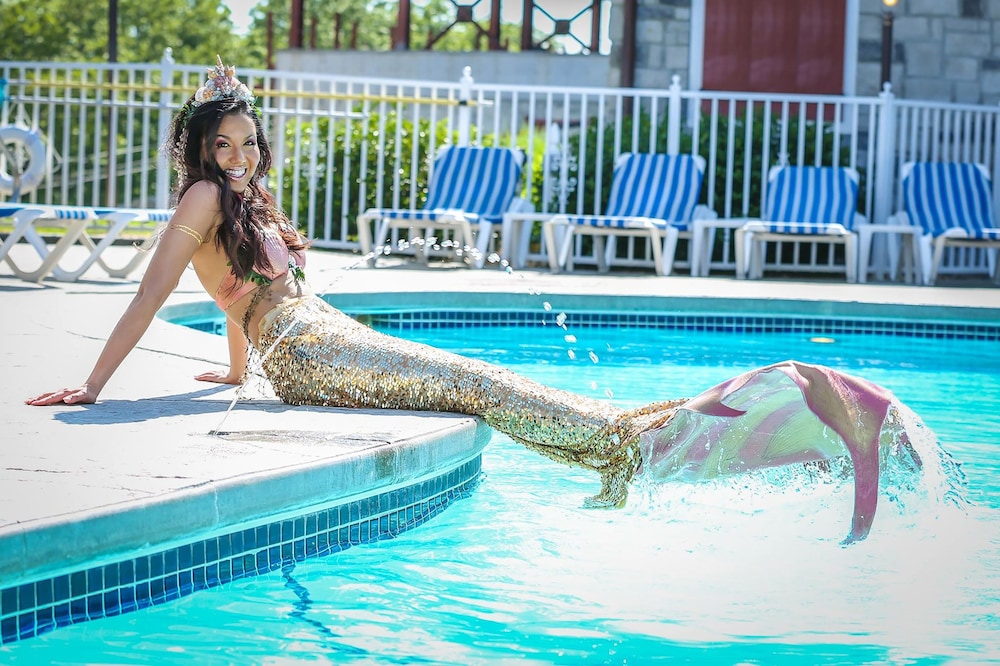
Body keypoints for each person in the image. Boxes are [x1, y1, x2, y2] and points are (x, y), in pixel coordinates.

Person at [26, 58, 920, 544]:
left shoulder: (240, 199)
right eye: (224, 144)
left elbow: (237, 300)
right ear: (198, 148)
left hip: (312, 335)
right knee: (474, 383)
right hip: (303, 350)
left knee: (474, 376)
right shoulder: (198, 198)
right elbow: (151, 295)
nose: (240, 157)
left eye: (249, 143)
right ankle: (634, 446)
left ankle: (646, 438)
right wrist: (95, 386)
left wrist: (233, 372)